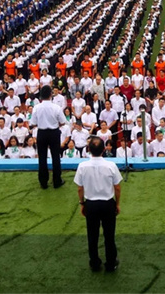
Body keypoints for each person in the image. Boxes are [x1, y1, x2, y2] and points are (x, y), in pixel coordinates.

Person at [74, 136, 122, 273]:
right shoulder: (111, 165)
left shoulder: (82, 166)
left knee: (92, 235)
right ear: (104, 150)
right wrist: (117, 204)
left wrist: (82, 203)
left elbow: (79, 188)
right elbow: (117, 187)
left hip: (91, 204)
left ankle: (94, 263)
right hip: (107, 203)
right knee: (109, 235)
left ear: (88, 150)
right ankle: (111, 263)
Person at [31, 85, 67, 189]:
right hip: (53, 132)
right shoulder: (56, 107)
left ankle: (43, 182)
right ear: (51, 95)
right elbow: (63, 122)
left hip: (41, 132)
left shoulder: (37, 108)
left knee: (42, 158)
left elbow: (33, 123)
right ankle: (57, 181)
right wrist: (55, 124)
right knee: (56, 157)